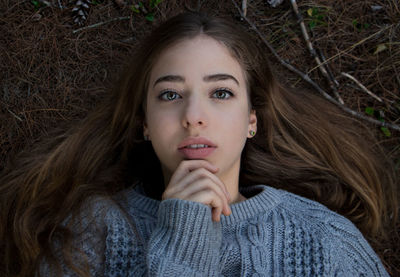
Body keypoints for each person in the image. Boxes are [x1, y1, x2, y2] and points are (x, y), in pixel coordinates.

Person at [0, 11, 397, 277]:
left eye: (221, 93)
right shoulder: (90, 232)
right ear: (145, 125)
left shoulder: (324, 239)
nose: (193, 115)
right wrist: (183, 244)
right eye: (170, 95)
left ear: (251, 121)